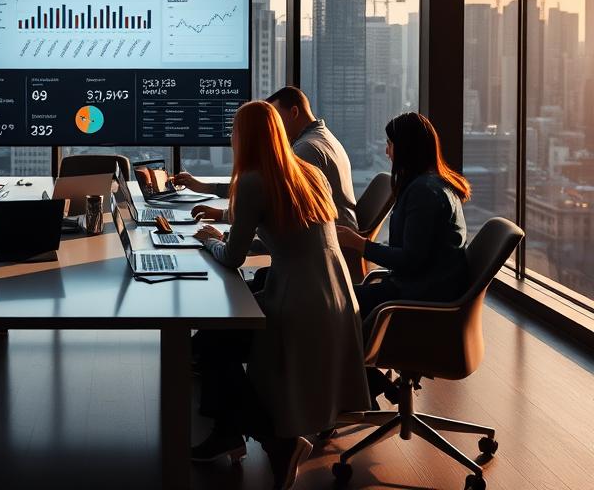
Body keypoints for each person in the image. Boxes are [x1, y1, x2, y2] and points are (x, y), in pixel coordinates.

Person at [190, 101, 370, 490]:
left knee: (211, 345)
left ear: (246, 136)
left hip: (298, 301)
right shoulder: (306, 172)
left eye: (235, 131)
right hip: (335, 293)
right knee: (215, 341)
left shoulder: (254, 180)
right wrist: (227, 235)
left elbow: (233, 257)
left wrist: (210, 244)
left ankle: (277, 443)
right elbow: (292, 234)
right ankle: (229, 434)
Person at [335, 112, 470, 408]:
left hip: (415, 302)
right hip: (421, 292)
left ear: (405, 148)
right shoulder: (435, 184)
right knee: (338, 299)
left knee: (331, 307)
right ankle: (365, 388)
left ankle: (358, 391)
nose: (386, 151)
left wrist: (359, 245)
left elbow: (410, 260)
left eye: (390, 144)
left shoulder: (423, 192)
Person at [180, 86, 357, 231]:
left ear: (294, 112)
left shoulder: (305, 150)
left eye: (275, 119)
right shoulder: (323, 137)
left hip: (334, 240)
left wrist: (220, 215)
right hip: (335, 234)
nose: (271, 127)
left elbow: (266, 194)